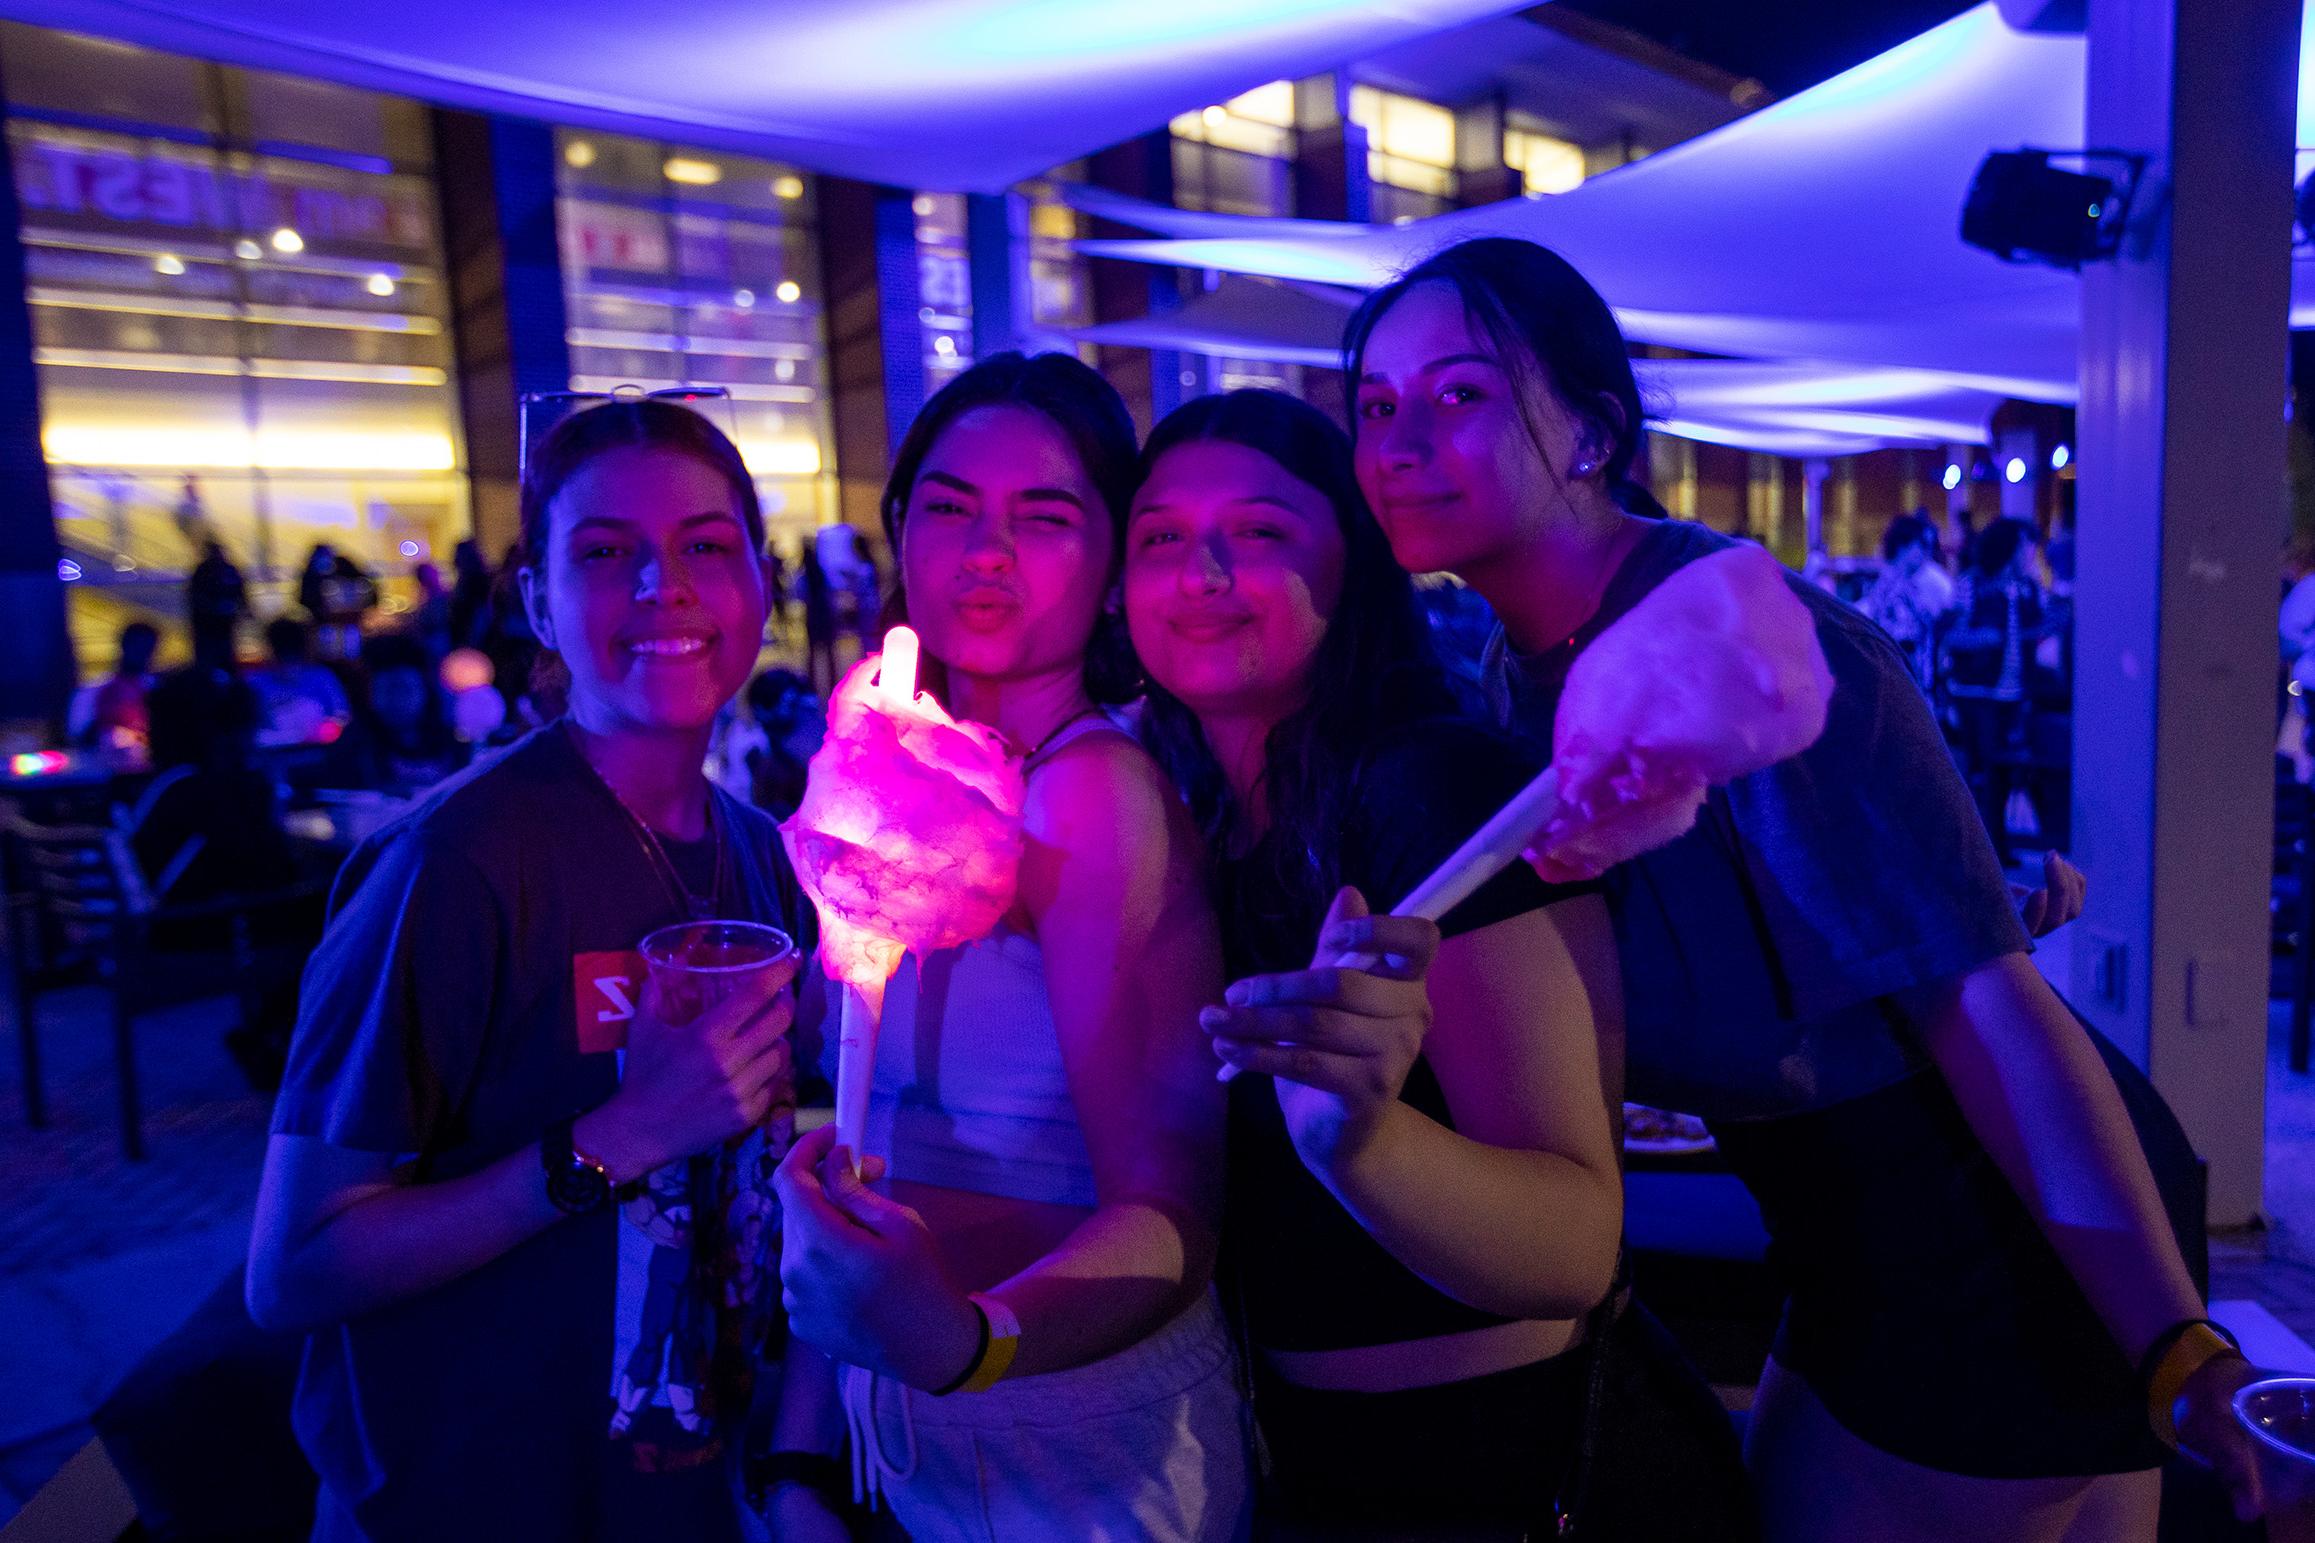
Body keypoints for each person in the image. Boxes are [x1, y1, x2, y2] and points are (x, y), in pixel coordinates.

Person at [1344, 236, 2252, 1543]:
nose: (1397, 438)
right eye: (1374, 405)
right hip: (1831, 1230)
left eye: (1458, 393)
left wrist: (2180, 1348)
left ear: (1593, 432)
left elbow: (1987, 1012)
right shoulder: (1520, 667)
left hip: (1989, 1217)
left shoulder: (1749, 652)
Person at [1125, 389, 1750, 1539]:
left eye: (1259, 531)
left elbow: (1573, 1241)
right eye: (1159, 536)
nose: (1201, 569)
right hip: (1314, 1474)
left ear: (1356, 565)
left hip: (1517, 1473)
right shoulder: (1191, 820)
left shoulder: (1435, 793)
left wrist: (1361, 1139)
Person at [247, 398, 811, 1541]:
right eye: (606, 553)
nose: (666, 585)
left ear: (760, 583)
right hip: (459, 1496)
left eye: (707, 544)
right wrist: (623, 1132)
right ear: (540, 603)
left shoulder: (761, 858)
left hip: (679, 1494)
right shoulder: (452, 864)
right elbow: (294, 1269)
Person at [771, 352, 1245, 1543]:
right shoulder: (895, 778)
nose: (985, 550)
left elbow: (1173, 1202)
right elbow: (869, 1142)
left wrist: (970, 1339)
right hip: (902, 1434)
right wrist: (801, 1451)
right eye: (946, 506)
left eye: (1043, 516)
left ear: (1109, 563)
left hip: (1069, 1445)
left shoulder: (1086, 799)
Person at [1946, 516, 2048, 865]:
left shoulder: (2030, 590)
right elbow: (1951, 635)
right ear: (2010, 548)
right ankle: (1983, 850)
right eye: (2026, 545)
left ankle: (1996, 847)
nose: (2032, 552)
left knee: (2004, 774)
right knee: (1985, 772)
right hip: (1978, 694)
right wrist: (1984, 639)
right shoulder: (1971, 585)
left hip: (2015, 694)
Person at [1855, 510, 1954, 696]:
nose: (1926, 553)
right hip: (1901, 681)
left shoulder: (1912, 584)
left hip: (1913, 680)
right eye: (1921, 546)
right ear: (1903, 546)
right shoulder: (1891, 587)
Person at [249, 617, 352, 747]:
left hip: (318, 754)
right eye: (283, 656)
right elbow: (249, 728)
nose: (289, 668)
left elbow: (341, 717)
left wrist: (321, 734)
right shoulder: (255, 683)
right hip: (272, 759)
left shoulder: (321, 677)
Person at [75, 621, 160, 752]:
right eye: (137, 646)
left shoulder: (160, 689)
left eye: (148, 648)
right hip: (106, 766)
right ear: (123, 645)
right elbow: (79, 734)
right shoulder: (94, 689)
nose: (142, 654)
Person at [187, 539, 249, 671]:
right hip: (207, 623)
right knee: (207, 654)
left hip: (223, 623)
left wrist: (242, 608)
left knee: (224, 652)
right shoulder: (203, 572)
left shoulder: (228, 570)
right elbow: (196, 597)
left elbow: (241, 592)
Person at [799, 539, 837, 695]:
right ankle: (832, 681)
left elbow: (799, 595)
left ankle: (812, 684)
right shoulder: (822, 572)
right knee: (829, 651)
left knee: (812, 652)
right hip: (825, 614)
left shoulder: (803, 575)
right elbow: (831, 591)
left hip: (812, 616)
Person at [449, 539, 494, 654]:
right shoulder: (465, 581)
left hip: (474, 636)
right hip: (468, 635)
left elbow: (482, 611)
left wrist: (473, 639)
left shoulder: (477, 581)